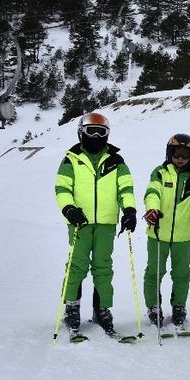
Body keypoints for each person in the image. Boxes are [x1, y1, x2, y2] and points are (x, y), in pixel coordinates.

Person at [54, 112, 137, 336]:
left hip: (106, 223)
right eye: (91, 131)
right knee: (77, 264)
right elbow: (62, 189)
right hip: (79, 222)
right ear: (82, 133)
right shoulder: (71, 159)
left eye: (101, 132)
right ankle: (71, 307)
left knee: (103, 267)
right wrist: (69, 208)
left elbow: (125, 189)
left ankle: (102, 309)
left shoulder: (116, 160)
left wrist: (129, 209)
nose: (96, 136)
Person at [142, 134, 190, 334]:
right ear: (170, 154)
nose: (180, 158)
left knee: (182, 274)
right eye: (177, 154)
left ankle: (179, 306)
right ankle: (153, 306)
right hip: (158, 232)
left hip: (183, 236)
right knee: (154, 272)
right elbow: (152, 192)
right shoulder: (160, 173)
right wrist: (152, 208)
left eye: (185, 155)